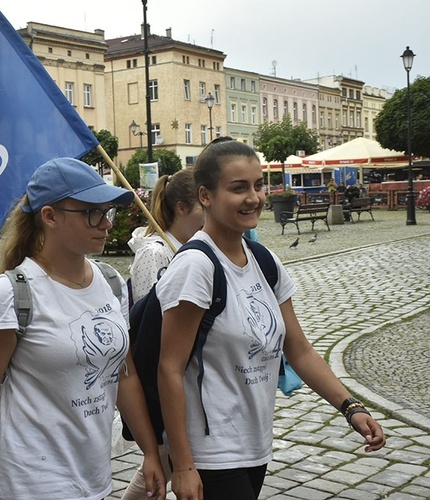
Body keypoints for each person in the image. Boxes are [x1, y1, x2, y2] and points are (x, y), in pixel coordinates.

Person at [156, 138, 386, 500]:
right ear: (205, 195)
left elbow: (299, 350)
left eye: (259, 185)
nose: (254, 197)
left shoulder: (263, 260)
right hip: (212, 453)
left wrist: (350, 406)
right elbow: (168, 369)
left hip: (255, 442)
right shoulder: (195, 267)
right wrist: (183, 465)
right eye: (238, 188)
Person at [0, 158, 166, 500]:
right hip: (33, 481)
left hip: (94, 476)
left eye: (107, 211)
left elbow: (124, 376)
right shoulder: (12, 294)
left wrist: (151, 451)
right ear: (50, 217)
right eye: (92, 212)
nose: (106, 224)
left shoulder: (109, 282)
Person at [121, 170, 204, 500]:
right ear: (183, 208)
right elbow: (147, 323)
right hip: (161, 374)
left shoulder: (188, 248)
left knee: (171, 460)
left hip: (187, 370)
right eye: (203, 203)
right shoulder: (156, 252)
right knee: (163, 460)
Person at [127, 171, 205, 303]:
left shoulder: (195, 247)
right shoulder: (154, 254)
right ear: (182, 208)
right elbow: (149, 315)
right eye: (204, 207)